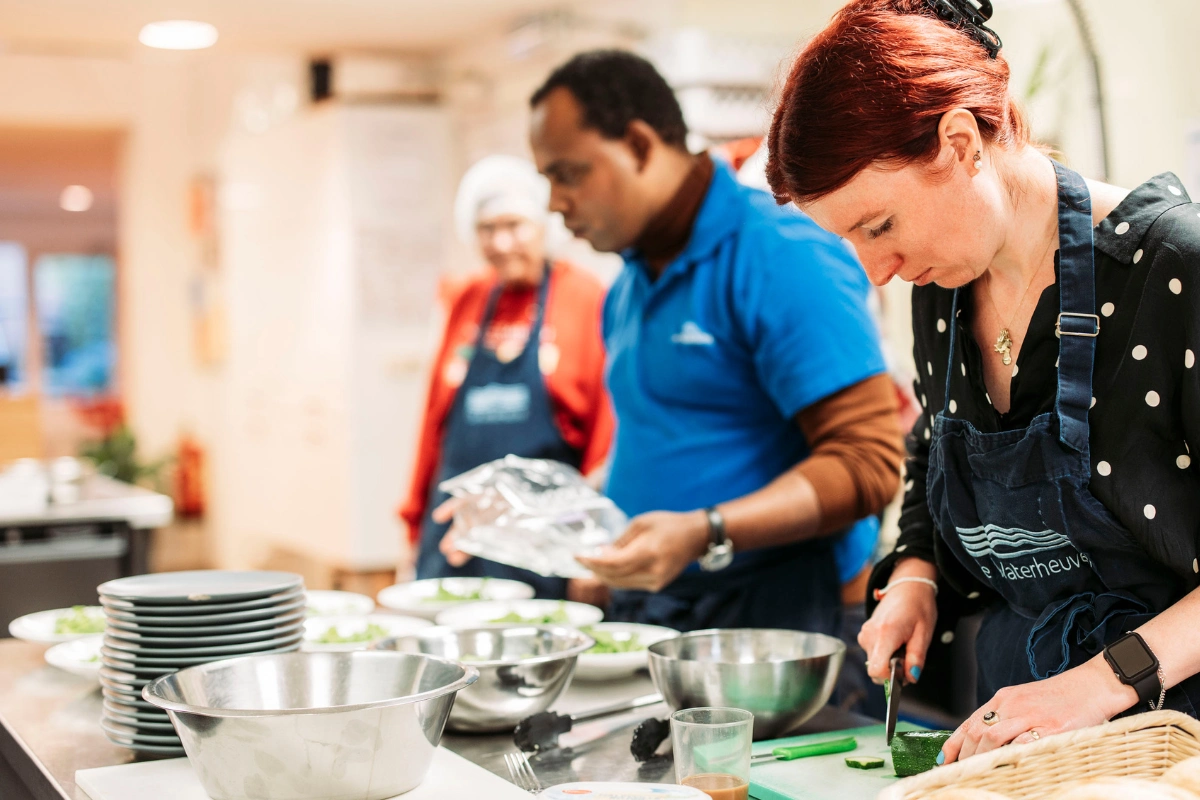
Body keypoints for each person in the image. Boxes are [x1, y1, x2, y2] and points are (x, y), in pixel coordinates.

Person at [766, 0, 1200, 765]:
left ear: (960, 143)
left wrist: (1101, 683)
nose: (877, 272)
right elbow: (934, 450)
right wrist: (915, 575)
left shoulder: (1174, 274)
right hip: (1024, 735)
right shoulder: (945, 289)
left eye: (879, 226)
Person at [457, 49, 904, 637]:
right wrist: (550, 518)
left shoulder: (779, 253)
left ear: (641, 145)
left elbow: (868, 463)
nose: (556, 204)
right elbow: (665, 442)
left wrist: (706, 529)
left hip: (772, 618)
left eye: (569, 174)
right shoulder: (629, 282)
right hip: (658, 610)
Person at [400, 155, 614, 599]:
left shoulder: (586, 298)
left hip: (542, 547)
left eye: (514, 225)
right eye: (486, 229)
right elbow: (433, 423)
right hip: (453, 542)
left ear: (544, 223)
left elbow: (605, 435)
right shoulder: (468, 299)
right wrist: (411, 527)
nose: (501, 242)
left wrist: (596, 548)